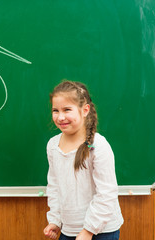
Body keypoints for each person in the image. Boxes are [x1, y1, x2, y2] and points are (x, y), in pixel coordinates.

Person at [43, 80, 124, 240]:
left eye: (67, 110)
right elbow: (54, 186)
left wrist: (88, 231)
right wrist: (55, 220)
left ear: (85, 110)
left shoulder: (98, 145)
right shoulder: (53, 145)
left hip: (101, 231)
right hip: (69, 229)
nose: (60, 117)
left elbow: (107, 193)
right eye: (55, 110)